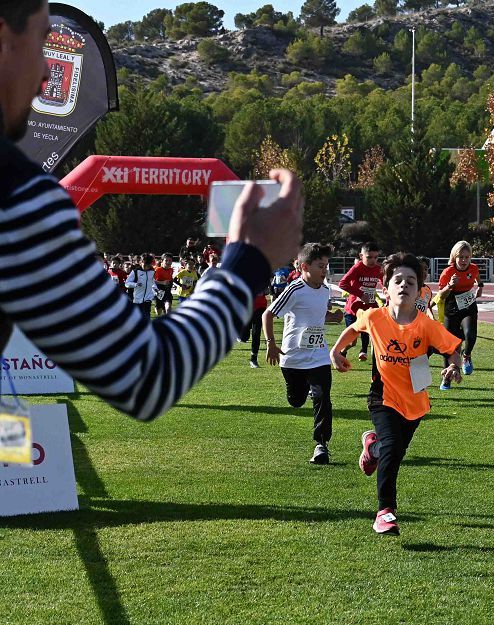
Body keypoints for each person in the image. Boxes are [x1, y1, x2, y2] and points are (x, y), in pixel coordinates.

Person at [0, 0, 303, 421]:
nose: (48, 73)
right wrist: (248, 261)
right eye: (41, 44)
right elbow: (144, 375)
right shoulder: (16, 195)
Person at [330, 252, 463, 535]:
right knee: (393, 449)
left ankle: (372, 446)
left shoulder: (427, 326)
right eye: (398, 280)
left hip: (415, 400)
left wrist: (454, 367)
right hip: (383, 397)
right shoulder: (375, 317)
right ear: (386, 287)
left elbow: (452, 349)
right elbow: (353, 329)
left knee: (395, 451)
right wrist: (336, 350)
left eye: (411, 282)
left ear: (419, 291)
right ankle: (385, 512)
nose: (404, 285)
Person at [263, 243, 344, 465]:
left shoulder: (326, 289)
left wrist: (332, 318)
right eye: (320, 266)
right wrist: (271, 343)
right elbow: (268, 315)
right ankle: (303, 391)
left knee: (322, 398)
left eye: (326, 265)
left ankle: (321, 445)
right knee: (296, 401)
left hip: (318, 356)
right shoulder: (294, 290)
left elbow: (317, 315)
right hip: (293, 358)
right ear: (305, 267)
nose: (324, 270)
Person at [437, 241, 483, 387]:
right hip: (451, 307)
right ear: (454, 257)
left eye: (467, 257)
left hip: (468, 305)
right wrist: (450, 286)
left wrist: (480, 287)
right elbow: (440, 296)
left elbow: (478, 278)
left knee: (470, 335)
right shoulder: (448, 272)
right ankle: (447, 378)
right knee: (450, 344)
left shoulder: (474, 268)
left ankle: (466, 355)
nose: (464, 260)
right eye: (460, 257)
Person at [337, 242, 383, 362]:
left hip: (368, 308)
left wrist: (388, 292)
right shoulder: (357, 268)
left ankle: (364, 351)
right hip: (352, 309)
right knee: (352, 341)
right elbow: (342, 283)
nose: (373, 260)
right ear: (361, 256)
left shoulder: (378, 269)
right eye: (369, 257)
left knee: (369, 331)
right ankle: (343, 351)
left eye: (376, 257)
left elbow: (385, 284)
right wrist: (361, 294)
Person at [239, 282, 269, 369]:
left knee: (256, 333)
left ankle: (253, 359)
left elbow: (267, 290)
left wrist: (263, 291)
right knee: (244, 337)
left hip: (260, 307)